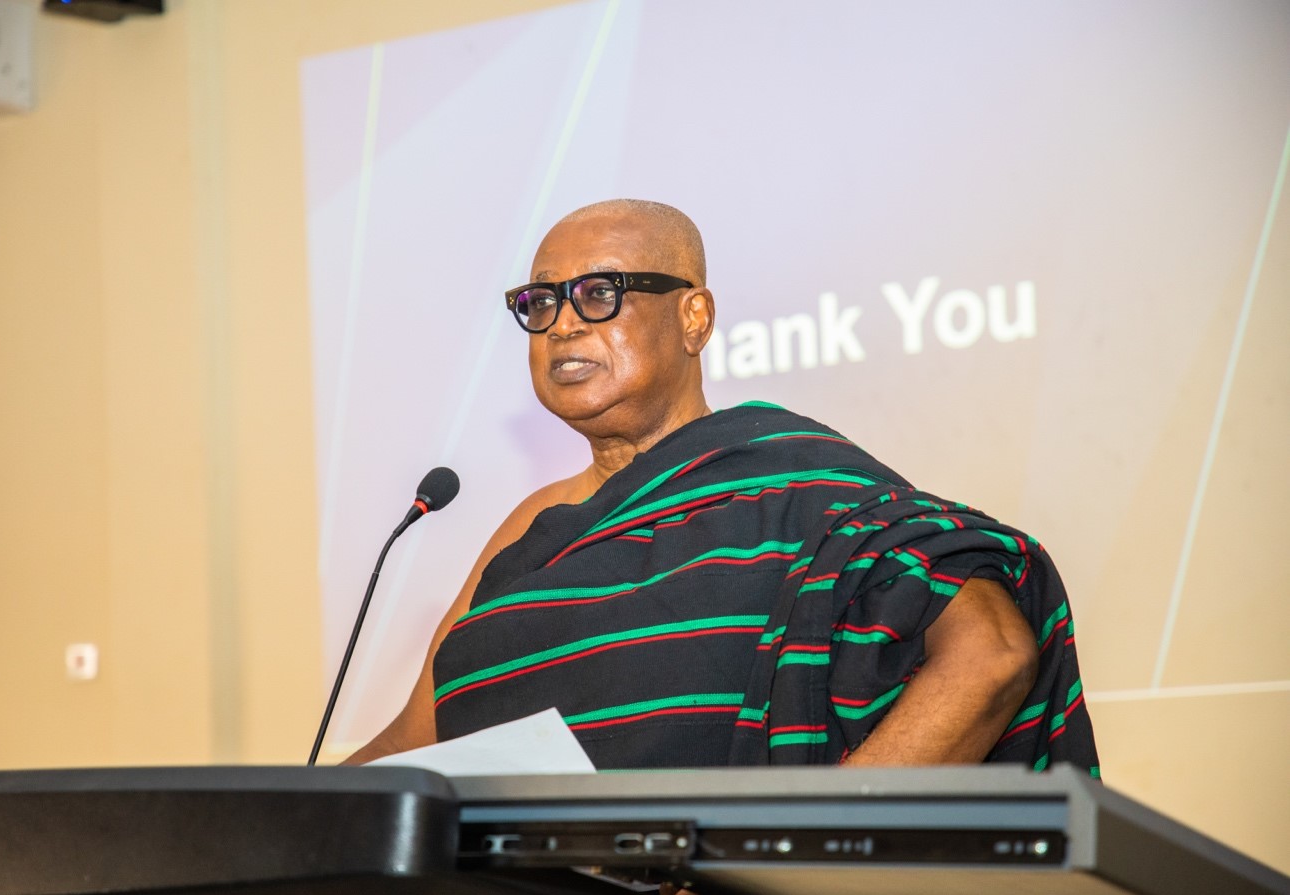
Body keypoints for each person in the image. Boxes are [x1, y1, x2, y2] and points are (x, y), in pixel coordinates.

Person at [344, 199, 1098, 780]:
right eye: (540, 304)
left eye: (598, 293)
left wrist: (778, 844)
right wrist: (257, 819)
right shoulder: (531, 525)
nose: (563, 325)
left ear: (693, 317)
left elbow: (994, 652)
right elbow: (419, 741)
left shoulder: (797, 481)